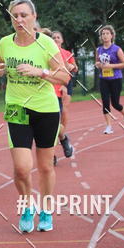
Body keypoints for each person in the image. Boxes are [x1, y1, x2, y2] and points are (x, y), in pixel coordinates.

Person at [0, 0, 70, 233]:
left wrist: (41, 72)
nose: (19, 20)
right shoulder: (5, 43)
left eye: (24, 15)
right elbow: (2, 67)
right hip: (17, 107)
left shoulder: (46, 43)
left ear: (34, 16)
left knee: (46, 166)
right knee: (21, 168)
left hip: (45, 109)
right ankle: (27, 205)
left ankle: (46, 210)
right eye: (15, 15)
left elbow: (64, 77)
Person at [95, 25, 124, 134]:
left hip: (116, 79)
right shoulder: (99, 49)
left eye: (107, 33)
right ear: (101, 37)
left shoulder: (117, 49)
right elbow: (97, 62)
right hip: (103, 79)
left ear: (111, 35)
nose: (105, 36)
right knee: (105, 103)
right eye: (103, 34)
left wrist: (110, 66)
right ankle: (108, 126)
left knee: (115, 103)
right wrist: (99, 64)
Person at [51, 30, 76, 160]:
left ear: (62, 40)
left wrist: (69, 66)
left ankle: (62, 140)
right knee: (46, 127)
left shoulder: (65, 53)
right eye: (53, 37)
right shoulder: (45, 51)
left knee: (55, 123)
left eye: (57, 37)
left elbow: (73, 68)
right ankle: (59, 144)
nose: (55, 39)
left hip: (61, 88)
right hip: (45, 90)